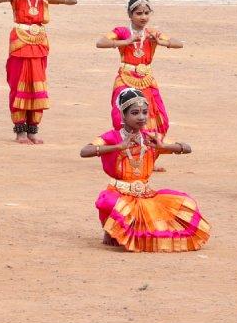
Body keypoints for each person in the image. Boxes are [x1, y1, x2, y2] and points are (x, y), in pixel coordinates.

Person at [80, 88, 208, 252]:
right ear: (123, 116)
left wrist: (164, 146)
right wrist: (118, 146)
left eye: (144, 112)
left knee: (185, 205)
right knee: (109, 201)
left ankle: (125, 230)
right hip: (120, 193)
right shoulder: (113, 137)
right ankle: (110, 228)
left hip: (146, 194)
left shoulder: (150, 137)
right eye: (134, 113)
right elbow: (84, 151)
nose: (141, 117)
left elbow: (187, 148)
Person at [0, 0, 77, 143]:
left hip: (39, 43)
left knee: (37, 85)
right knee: (19, 84)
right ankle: (20, 131)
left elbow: (73, 1)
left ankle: (32, 131)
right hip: (20, 41)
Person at [98, 0, 181, 135]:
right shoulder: (122, 32)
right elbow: (100, 42)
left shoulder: (152, 33)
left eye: (146, 13)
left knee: (152, 114)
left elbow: (179, 43)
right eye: (138, 13)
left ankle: (145, 148)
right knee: (122, 113)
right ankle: (125, 146)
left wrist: (161, 43)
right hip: (125, 78)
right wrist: (126, 41)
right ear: (130, 15)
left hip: (147, 80)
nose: (143, 17)